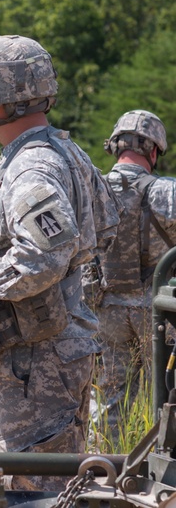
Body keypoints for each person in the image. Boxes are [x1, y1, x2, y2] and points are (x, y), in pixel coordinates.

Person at [0, 34, 113, 491]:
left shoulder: (30, 167)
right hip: (58, 347)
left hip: (38, 360)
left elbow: (42, 258)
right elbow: (104, 227)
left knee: (30, 488)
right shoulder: (66, 152)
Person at [92, 110, 176, 443]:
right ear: (153, 151)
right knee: (168, 393)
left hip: (104, 310)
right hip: (157, 312)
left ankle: (107, 466)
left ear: (114, 146)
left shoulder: (92, 190)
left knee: (111, 397)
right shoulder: (165, 192)